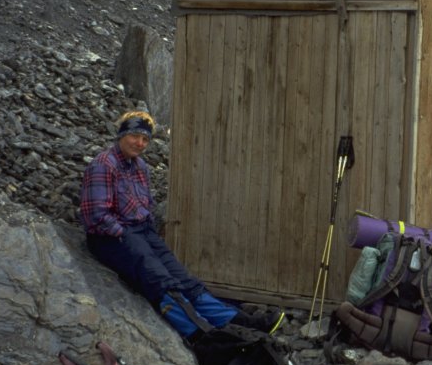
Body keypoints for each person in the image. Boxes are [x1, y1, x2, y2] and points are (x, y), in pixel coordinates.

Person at [79, 110, 284, 337]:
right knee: (160, 279)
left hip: (141, 230)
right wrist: (125, 236)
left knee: (183, 277)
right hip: (110, 236)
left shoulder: (140, 167)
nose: (140, 143)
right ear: (121, 135)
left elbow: (146, 205)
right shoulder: (104, 165)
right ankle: (200, 334)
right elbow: (96, 215)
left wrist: (146, 234)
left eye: (145, 139)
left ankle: (238, 321)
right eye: (135, 136)